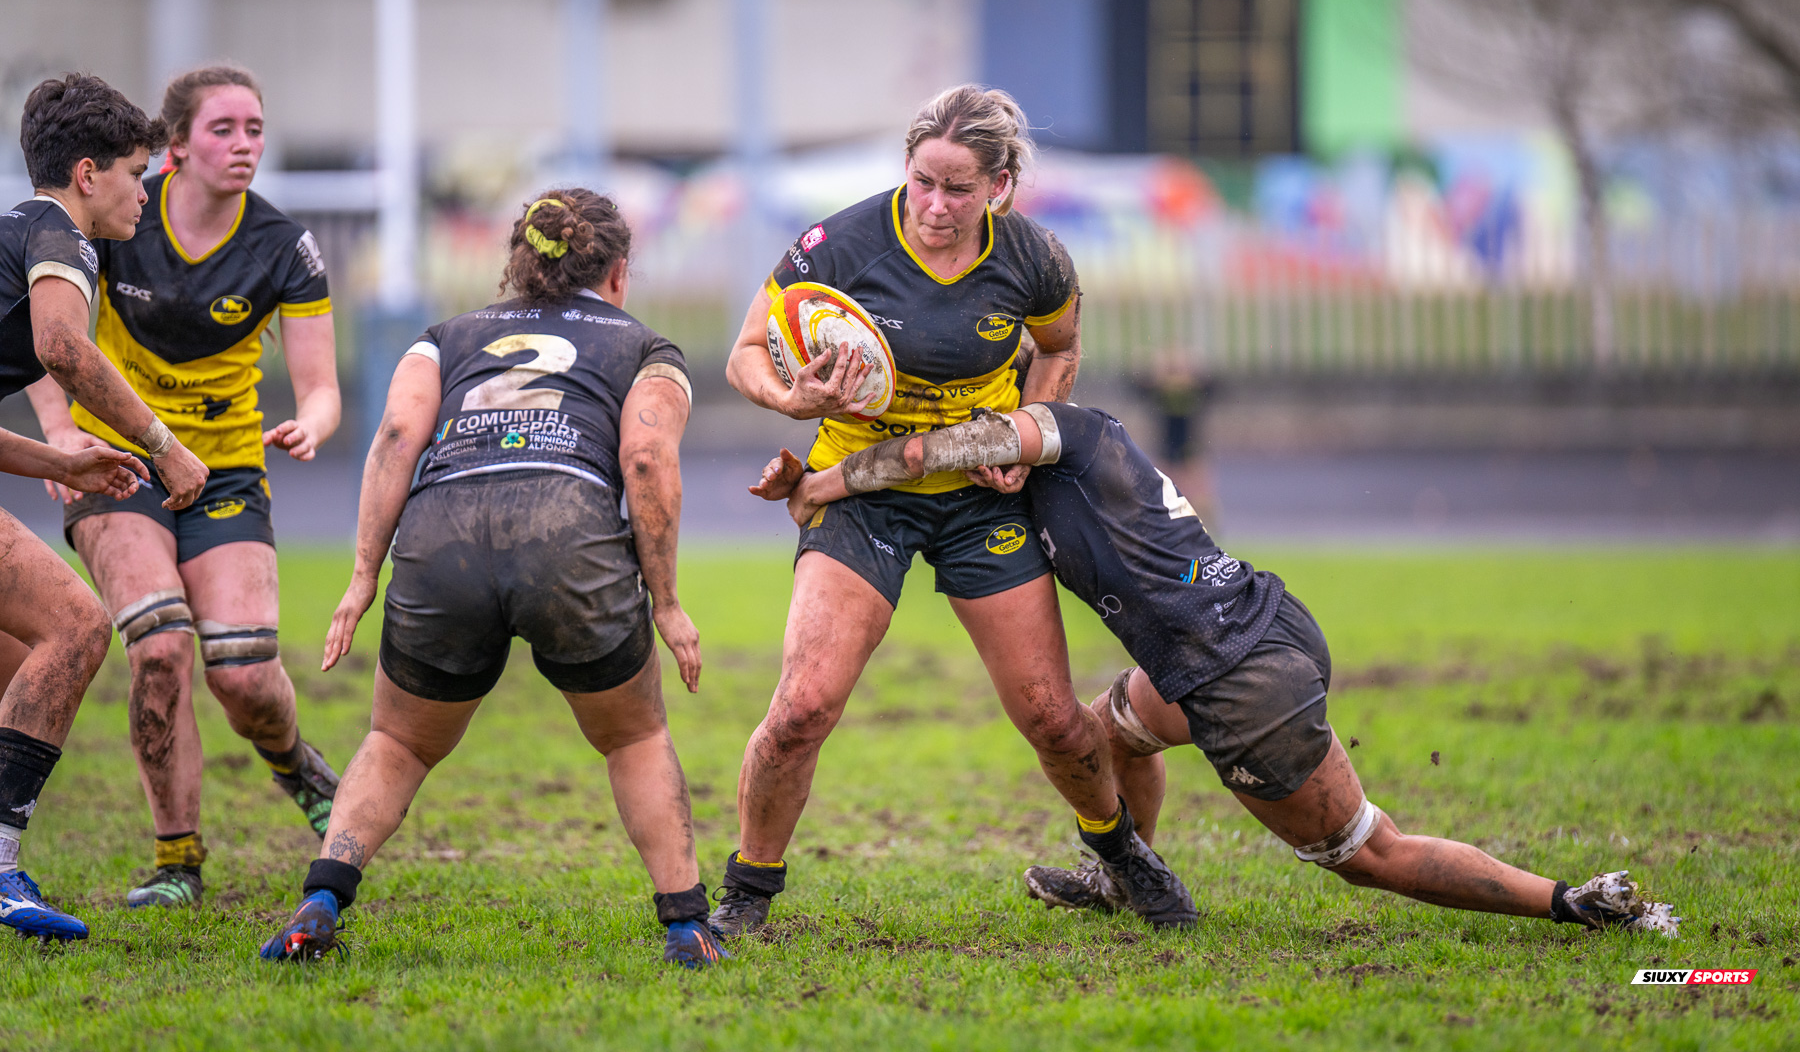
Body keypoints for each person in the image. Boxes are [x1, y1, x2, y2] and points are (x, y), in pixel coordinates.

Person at [755, 401, 1682, 937]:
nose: (983, 444)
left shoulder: (1060, 430)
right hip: (1265, 619)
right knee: (1105, 728)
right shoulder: (1098, 438)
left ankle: (1580, 906)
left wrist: (826, 482)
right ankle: (1121, 871)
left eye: (994, 426)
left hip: (1237, 682)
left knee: (1370, 855)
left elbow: (943, 450)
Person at [712, 85, 1192, 936]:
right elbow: (745, 351)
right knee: (803, 708)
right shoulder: (844, 241)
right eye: (923, 181)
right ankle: (748, 895)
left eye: (958, 189)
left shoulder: (1034, 258)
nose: (935, 206)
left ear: (999, 185)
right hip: (857, 493)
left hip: (980, 501)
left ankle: (1121, 856)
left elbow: (1059, 346)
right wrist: (791, 398)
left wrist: (1019, 435)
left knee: (1050, 714)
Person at [259, 188, 727, 968]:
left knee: (398, 740)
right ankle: (686, 927)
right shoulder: (649, 349)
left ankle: (324, 895)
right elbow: (646, 460)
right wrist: (669, 603)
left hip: (441, 533)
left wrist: (362, 577)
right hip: (564, 529)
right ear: (617, 272)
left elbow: (399, 434)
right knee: (633, 734)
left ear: (517, 264)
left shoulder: (444, 336)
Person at [27, 65, 343, 910]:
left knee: (243, 674)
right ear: (176, 147)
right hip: (117, 462)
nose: (244, 146)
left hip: (227, 470)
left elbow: (321, 384)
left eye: (255, 129)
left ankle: (295, 764)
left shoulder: (283, 246)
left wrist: (313, 420)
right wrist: (60, 431)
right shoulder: (117, 216)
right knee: (159, 648)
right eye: (223, 130)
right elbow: (51, 337)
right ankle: (178, 860)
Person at [0, 73, 212, 940]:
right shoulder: (62, 236)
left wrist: (61, 460)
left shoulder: (15, 228)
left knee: (14, 648)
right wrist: (166, 446)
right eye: (136, 171)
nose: (145, 189)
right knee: (80, 627)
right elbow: (64, 349)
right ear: (87, 174)